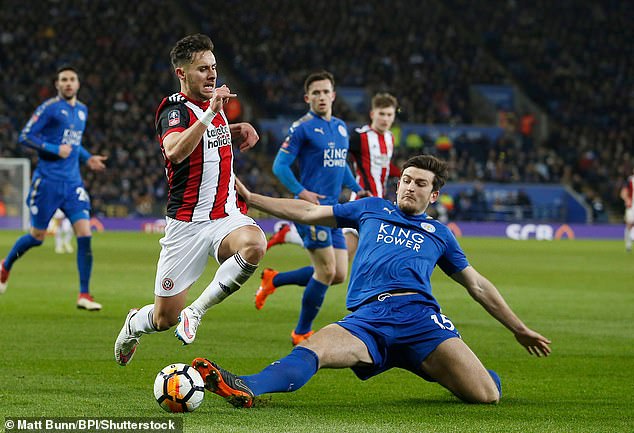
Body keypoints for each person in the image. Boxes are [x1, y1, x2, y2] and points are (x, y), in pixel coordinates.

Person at [192, 155, 551, 408]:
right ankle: (244, 385)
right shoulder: (371, 208)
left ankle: (461, 369)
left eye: (420, 183)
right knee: (314, 350)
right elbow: (310, 211)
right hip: (369, 318)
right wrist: (254, 200)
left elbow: (478, 285)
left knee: (487, 395)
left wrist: (518, 329)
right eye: (406, 180)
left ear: (434, 195)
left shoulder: (439, 234)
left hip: (419, 319)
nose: (410, 187)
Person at [113, 34, 266, 366]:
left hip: (224, 215)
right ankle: (133, 324)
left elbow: (211, 139)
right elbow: (176, 150)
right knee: (163, 317)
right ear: (182, 73)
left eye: (213, 68)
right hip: (186, 224)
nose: (211, 75)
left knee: (254, 245)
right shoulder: (174, 109)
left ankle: (196, 312)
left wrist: (240, 127)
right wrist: (213, 113)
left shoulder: (215, 105)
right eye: (202, 69)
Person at [256, 71, 366, 345]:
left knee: (338, 274)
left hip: (334, 212)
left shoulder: (341, 127)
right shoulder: (302, 127)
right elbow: (279, 166)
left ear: (333, 95)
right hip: (310, 211)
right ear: (307, 98)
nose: (320, 97)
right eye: (315, 93)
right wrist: (301, 192)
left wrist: (356, 188)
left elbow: (340, 167)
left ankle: (274, 279)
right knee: (326, 272)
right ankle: (301, 331)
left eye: (325, 91)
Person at [0, 66, 107, 310]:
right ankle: (5, 265)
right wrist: (53, 148)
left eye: (72, 79)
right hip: (47, 182)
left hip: (72, 184)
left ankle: (84, 294)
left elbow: (74, 144)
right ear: (57, 84)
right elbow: (25, 136)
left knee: (85, 234)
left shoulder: (82, 111)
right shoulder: (49, 108)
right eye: (63, 80)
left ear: (78, 84)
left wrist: (88, 158)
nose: (68, 83)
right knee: (37, 237)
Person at [268, 92, 401, 260]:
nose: (385, 119)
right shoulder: (359, 137)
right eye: (382, 114)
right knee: (343, 261)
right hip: (362, 200)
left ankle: (288, 238)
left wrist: (403, 174)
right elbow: (336, 156)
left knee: (344, 261)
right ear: (373, 114)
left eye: (389, 114)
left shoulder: (390, 138)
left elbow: (383, 166)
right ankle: (288, 242)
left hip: (379, 200)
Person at [620, 168, 634, 252]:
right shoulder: (630, 180)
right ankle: (628, 245)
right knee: (629, 224)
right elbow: (623, 192)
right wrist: (627, 199)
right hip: (632, 206)